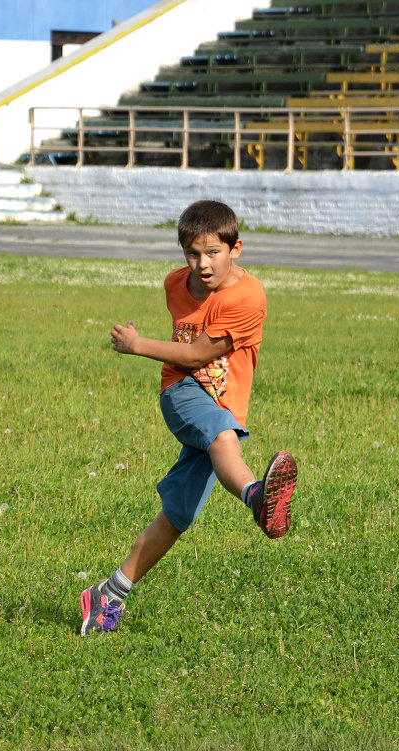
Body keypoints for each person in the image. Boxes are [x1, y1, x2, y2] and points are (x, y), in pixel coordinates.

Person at [79, 200, 297, 637]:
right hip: (181, 392)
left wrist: (138, 344)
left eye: (212, 253)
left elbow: (202, 352)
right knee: (222, 436)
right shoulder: (175, 284)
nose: (201, 264)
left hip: (221, 405)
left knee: (178, 515)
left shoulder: (248, 298)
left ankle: (109, 592)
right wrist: (142, 347)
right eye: (192, 254)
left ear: (236, 249)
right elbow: (190, 361)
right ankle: (257, 497)